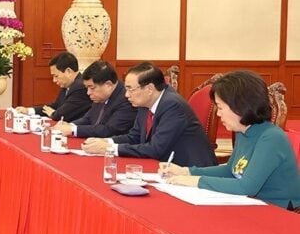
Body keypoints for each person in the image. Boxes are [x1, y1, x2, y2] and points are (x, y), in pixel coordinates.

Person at [160, 71, 300, 209]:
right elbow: (230, 171)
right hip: (251, 204)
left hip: (278, 211)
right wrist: (186, 171)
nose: (219, 114)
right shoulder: (243, 132)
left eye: (220, 108)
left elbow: (246, 187)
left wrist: (195, 181)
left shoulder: (271, 137)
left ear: (240, 106)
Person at [82, 61, 216, 167]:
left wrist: (110, 148)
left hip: (190, 169)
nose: (126, 95)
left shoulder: (172, 105)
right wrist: (105, 141)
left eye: (130, 89)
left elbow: (155, 149)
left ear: (149, 89)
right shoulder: (144, 102)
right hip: (165, 165)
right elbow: (134, 137)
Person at [53, 60, 136, 138]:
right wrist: (70, 125)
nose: (88, 92)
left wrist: (73, 130)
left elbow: (110, 130)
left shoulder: (126, 99)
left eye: (92, 88)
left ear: (108, 84)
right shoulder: (100, 96)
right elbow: (88, 118)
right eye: (87, 88)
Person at [16, 52, 90, 122]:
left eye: (56, 76)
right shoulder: (68, 85)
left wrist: (53, 113)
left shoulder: (80, 87)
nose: (54, 80)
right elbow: (55, 106)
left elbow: (61, 115)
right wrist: (28, 110)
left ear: (68, 71)